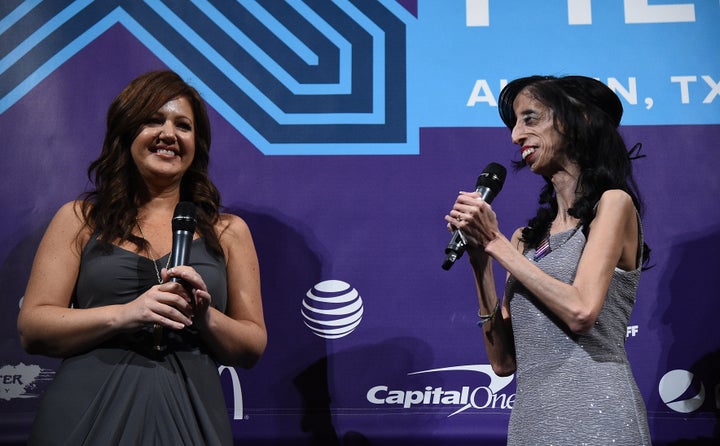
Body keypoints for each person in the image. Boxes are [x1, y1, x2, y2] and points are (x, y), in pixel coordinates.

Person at [17, 70, 267, 445]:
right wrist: (127, 313)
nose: (169, 133)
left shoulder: (229, 231)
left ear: (196, 143)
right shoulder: (79, 220)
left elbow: (251, 346)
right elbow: (33, 327)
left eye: (183, 125)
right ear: (127, 132)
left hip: (192, 412)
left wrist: (204, 314)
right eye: (154, 120)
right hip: (85, 414)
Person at [445, 75, 652, 445]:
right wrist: (481, 261)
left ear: (579, 121)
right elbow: (503, 362)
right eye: (514, 124)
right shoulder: (524, 240)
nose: (515, 136)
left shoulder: (614, 204)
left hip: (599, 419)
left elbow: (581, 311)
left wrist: (494, 242)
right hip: (532, 425)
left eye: (531, 118)